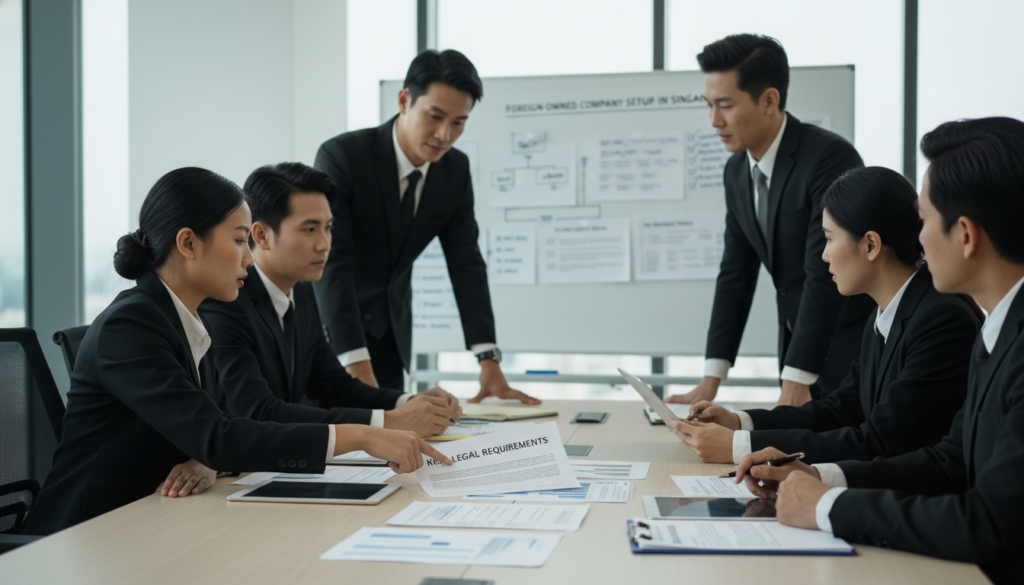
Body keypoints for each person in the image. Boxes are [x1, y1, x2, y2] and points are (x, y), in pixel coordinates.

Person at [23, 168, 451, 535]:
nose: (250, 258)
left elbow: (217, 426)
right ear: (188, 243)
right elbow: (220, 435)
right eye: (240, 240)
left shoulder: (187, 318)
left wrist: (206, 457)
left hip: (154, 519)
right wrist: (361, 435)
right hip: (84, 535)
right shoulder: (131, 325)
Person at [732, 117, 1024, 585]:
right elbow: (950, 461)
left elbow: (991, 524)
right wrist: (819, 478)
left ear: (966, 235)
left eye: (926, 219)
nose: (919, 236)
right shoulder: (1000, 331)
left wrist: (827, 504)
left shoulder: (963, 323)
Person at [666, 166, 981, 464]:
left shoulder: (940, 320)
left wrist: (738, 447)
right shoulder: (886, 313)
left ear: (871, 244)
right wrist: (738, 422)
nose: (823, 254)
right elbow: (838, 411)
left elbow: (881, 441)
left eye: (829, 238)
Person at [313, 49, 538, 404]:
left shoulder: (454, 171)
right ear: (404, 100)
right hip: (333, 336)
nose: (444, 135)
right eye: (435, 116)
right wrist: (354, 359)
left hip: (390, 336)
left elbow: (466, 263)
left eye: (459, 122)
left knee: (390, 446)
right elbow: (332, 262)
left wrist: (488, 358)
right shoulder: (344, 157)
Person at [665, 34, 872, 407]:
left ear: (769, 100)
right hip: (795, 347)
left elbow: (822, 272)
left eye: (725, 105)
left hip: (845, 346)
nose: (714, 120)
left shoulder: (827, 157)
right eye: (709, 105)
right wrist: (711, 380)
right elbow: (735, 275)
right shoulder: (736, 171)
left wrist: (796, 379)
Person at [199, 162, 460, 439]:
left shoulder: (303, 294)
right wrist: (389, 421)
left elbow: (332, 386)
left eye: (328, 227)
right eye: (310, 230)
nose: (325, 244)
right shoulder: (225, 300)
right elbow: (257, 412)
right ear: (261, 235)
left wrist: (409, 402)